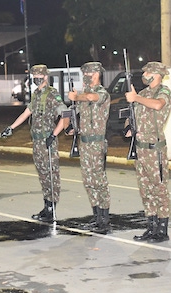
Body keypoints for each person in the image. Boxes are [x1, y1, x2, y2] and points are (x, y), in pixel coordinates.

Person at [0, 65, 67, 222]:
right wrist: (11, 128)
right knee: (43, 174)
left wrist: (54, 134)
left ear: (45, 76)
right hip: (37, 141)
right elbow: (26, 113)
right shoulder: (36, 94)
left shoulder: (52, 94)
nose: (36, 77)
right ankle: (46, 206)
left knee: (51, 175)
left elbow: (66, 115)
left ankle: (52, 209)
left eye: (38, 74)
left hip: (47, 141)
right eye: (34, 74)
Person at [124, 62, 171, 243]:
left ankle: (162, 229)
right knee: (146, 190)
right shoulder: (142, 94)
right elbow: (133, 116)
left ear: (157, 74)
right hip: (140, 148)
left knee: (159, 188)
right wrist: (129, 127)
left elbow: (158, 105)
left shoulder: (164, 92)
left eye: (148, 71)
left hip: (154, 149)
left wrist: (135, 98)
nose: (144, 74)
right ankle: (151, 226)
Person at [67, 62, 111, 234]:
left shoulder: (101, 93)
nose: (86, 76)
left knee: (99, 181)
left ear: (97, 74)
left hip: (97, 143)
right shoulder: (84, 95)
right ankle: (96, 217)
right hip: (84, 143)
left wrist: (76, 97)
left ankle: (105, 219)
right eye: (84, 73)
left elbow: (93, 98)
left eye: (89, 73)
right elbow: (77, 112)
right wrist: (71, 126)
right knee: (88, 181)